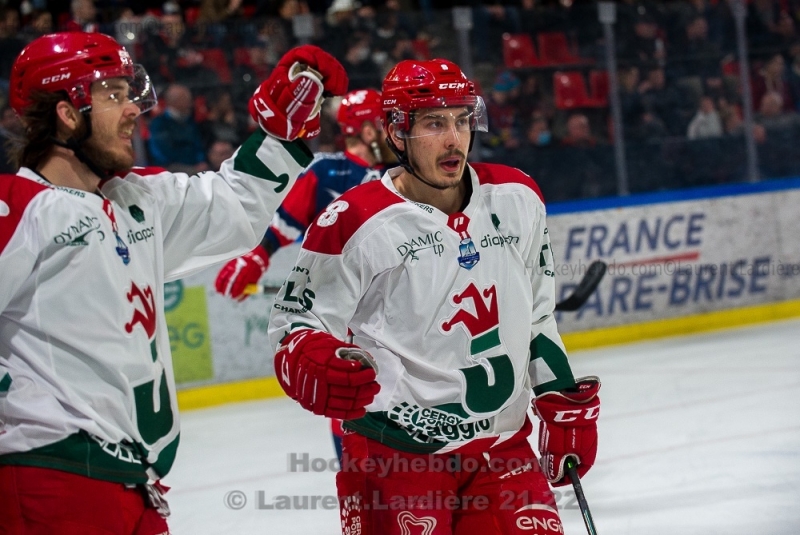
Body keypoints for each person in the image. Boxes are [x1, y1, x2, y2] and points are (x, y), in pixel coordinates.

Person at [0, 32, 347, 534]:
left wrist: (281, 135)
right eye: (113, 95)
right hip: (50, 477)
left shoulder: (136, 200)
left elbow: (233, 205)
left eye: (130, 93)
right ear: (67, 112)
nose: (132, 110)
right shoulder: (17, 209)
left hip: (134, 483)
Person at [268, 58, 600, 535]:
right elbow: (296, 322)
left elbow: (537, 316)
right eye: (434, 123)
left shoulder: (517, 197)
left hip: (501, 448)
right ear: (396, 133)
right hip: (394, 454)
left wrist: (556, 393)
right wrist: (309, 355)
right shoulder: (354, 219)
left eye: (462, 120)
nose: (454, 138)